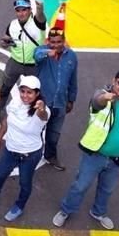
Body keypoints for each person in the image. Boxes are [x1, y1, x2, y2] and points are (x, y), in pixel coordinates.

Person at [54, 68, 119, 230]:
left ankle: (98, 212)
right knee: (80, 185)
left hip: (118, 158)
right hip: (96, 155)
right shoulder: (102, 95)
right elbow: (97, 101)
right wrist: (106, 97)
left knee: (107, 189)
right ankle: (66, 210)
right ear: (113, 81)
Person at [0, 76, 50, 221]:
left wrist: (42, 109)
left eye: (29, 92)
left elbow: (43, 116)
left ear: (37, 93)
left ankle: (19, 206)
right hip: (10, 150)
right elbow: (6, 121)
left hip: (30, 155)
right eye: (22, 91)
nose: (25, 95)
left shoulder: (42, 110)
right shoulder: (15, 102)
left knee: (25, 183)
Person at [0, 0, 47, 124]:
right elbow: (5, 39)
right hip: (15, 62)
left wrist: (40, 8)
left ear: (30, 10)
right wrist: (5, 43)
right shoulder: (12, 25)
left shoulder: (38, 22)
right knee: (4, 89)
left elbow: (41, 17)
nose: (21, 13)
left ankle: (32, 117)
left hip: (33, 65)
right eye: (18, 10)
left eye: (24, 10)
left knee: (33, 92)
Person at [34, 27, 78, 170]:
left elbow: (73, 79)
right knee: (36, 130)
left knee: (54, 133)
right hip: (42, 102)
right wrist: (48, 52)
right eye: (52, 42)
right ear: (48, 41)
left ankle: (50, 156)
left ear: (64, 41)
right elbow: (36, 55)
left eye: (59, 42)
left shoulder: (71, 56)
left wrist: (71, 99)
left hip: (60, 102)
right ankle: (31, 155)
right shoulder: (42, 51)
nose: (55, 45)